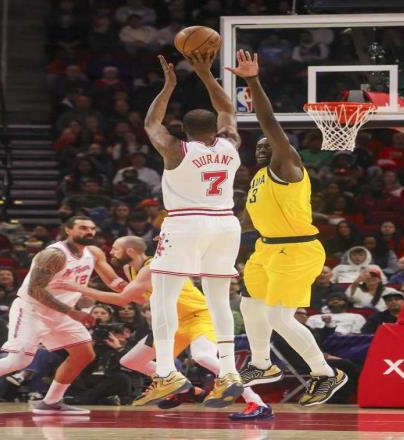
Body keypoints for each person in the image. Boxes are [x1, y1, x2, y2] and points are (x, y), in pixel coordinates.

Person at [226, 49, 347, 408]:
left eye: (271, 144)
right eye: (260, 146)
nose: (263, 146)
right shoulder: (258, 180)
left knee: (279, 317)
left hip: (297, 248)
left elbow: (269, 124)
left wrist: (252, 81)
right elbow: (248, 223)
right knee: (250, 305)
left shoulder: (288, 169)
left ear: (286, 150)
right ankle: (262, 364)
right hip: (266, 248)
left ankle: (326, 373)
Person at [55, 236, 272, 417]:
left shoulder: (151, 268)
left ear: (130, 251)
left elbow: (122, 300)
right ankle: (186, 388)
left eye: (115, 248)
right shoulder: (131, 269)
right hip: (172, 322)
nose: (111, 251)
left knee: (203, 357)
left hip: (199, 316)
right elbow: (138, 297)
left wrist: (78, 287)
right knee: (130, 361)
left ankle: (257, 402)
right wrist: (105, 273)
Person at [0, 216, 127, 416]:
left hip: (62, 313)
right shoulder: (54, 255)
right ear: (68, 230)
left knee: (84, 354)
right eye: (83, 228)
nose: (89, 232)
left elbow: (113, 281)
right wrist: (73, 312)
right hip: (32, 310)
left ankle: (51, 402)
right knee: (18, 361)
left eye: (92, 228)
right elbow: (35, 290)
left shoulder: (94, 252)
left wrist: (136, 286)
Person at [140, 51, 243, 406]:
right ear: (215, 129)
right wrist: (205, 74)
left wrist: (168, 85)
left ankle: (165, 371)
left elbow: (151, 123)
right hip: (225, 223)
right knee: (219, 300)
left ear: (183, 130)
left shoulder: (175, 149)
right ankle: (229, 371)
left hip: (186, 222)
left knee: (163, 298)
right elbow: (227, 109)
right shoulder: (230, 143)